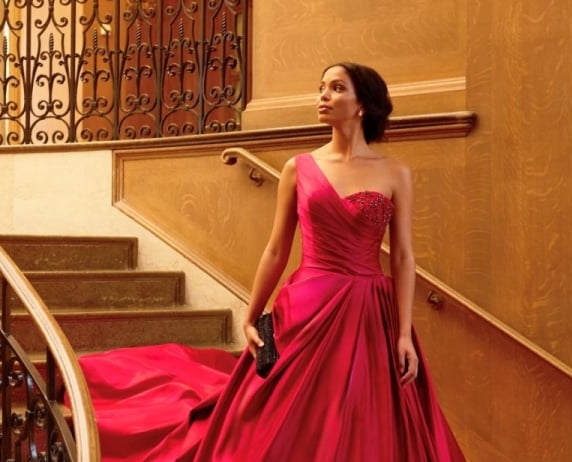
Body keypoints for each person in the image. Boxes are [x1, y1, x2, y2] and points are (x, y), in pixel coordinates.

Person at [76, 62, 464, 461]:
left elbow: (402, 256)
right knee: (282, 414)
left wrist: (402, 333)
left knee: (364, 414)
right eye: (321, 87)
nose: (323, 96)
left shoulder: (395, 172)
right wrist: (251, 313)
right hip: (306, 307)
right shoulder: (300, 168)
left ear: (362, 104)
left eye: (335, 88)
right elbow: (277, 248)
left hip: (369, 313)